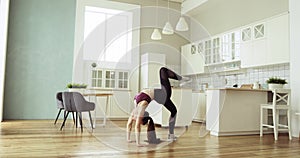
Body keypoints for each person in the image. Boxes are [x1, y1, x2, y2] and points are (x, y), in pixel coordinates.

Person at [126, 67, 190, 147]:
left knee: (174, 111)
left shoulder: (134, 111)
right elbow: (137, 126)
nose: (136, 120)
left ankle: (171, 135)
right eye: (139, 120)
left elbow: (129, 124)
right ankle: (181, 79)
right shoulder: (142, 106)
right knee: (162, 70)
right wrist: (138, 143)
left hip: (160, 96)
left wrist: (128, 139)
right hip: (163, 95)